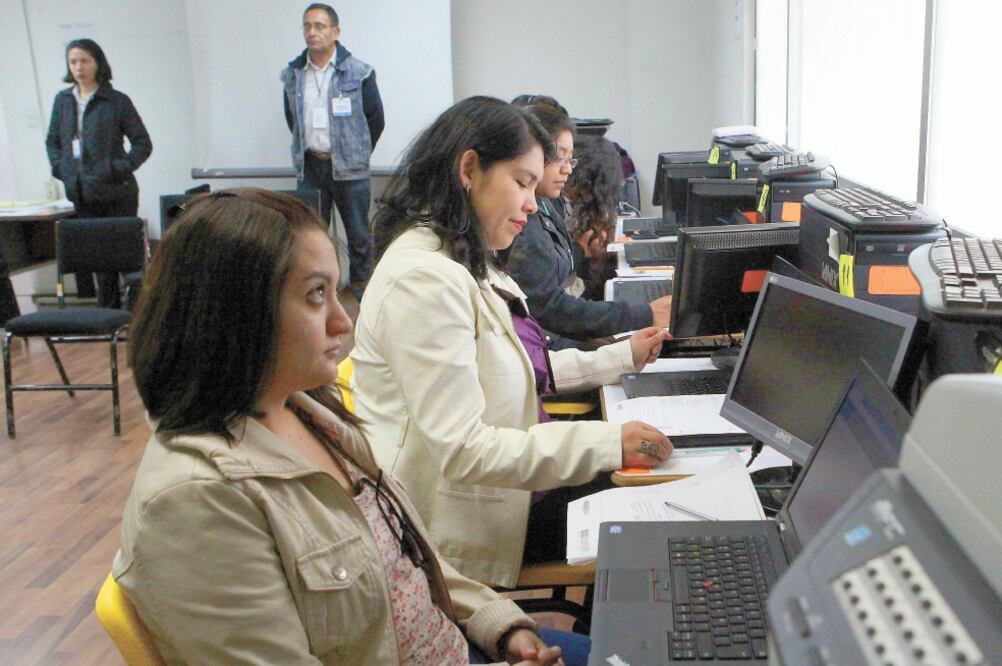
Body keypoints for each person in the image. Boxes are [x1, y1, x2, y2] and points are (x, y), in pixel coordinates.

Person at [114, 188, 578, 665]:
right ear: (235, 313)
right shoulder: (195, 502)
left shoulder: (307, 410)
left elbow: (404, 558)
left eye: (335, 292)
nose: (342, 322)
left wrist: (499, 624)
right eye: (316, 295)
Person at [350, 97, 673, 590]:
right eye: (522, 182)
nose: (532, 203)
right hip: (456, 523)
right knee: (649, 515)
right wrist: (608, 443)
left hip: (503, 490)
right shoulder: (424, 279)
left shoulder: (460, 254)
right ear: (469, 170)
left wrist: (619, 358)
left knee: (643, 496)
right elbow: (463, 449)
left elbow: (516, 368)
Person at [502, 103, 670, 349]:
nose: (567, 169)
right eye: (559, 157)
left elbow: (555, 280)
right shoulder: (522, 223)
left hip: (556, 336)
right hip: (546, 347)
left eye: (570, 159)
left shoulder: (547, 204)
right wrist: (642, 315)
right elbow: (548, 307)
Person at [282, 3, 385, 302]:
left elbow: (376, 119)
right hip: (311, 167)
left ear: (335, 32)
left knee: (359, 235)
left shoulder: (359, 72)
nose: (312, 32)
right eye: (307, 26)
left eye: (319, 26)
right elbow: (292, 119)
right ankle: (319, 289)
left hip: (350, 168)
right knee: (310, 234)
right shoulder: (293, 74)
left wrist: (356, 151)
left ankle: (363, 290)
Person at [45, 38, 151, 308]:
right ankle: (107, 314)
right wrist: (62, 169)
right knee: (99, 263)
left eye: (84, 61)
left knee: (124, 259)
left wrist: (115, 169)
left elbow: (142, 144)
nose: (78, 67)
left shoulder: (116, 101)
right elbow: (52, 141)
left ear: (97, 63)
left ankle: (135, 313)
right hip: (81, 191)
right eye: (73, 62)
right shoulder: (63, 100)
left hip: (117, 191)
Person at [564, 134, 625, 301]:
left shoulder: (577, 204)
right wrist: (582, 247)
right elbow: (559, 268)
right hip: (569, 291)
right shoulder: (561, 202)